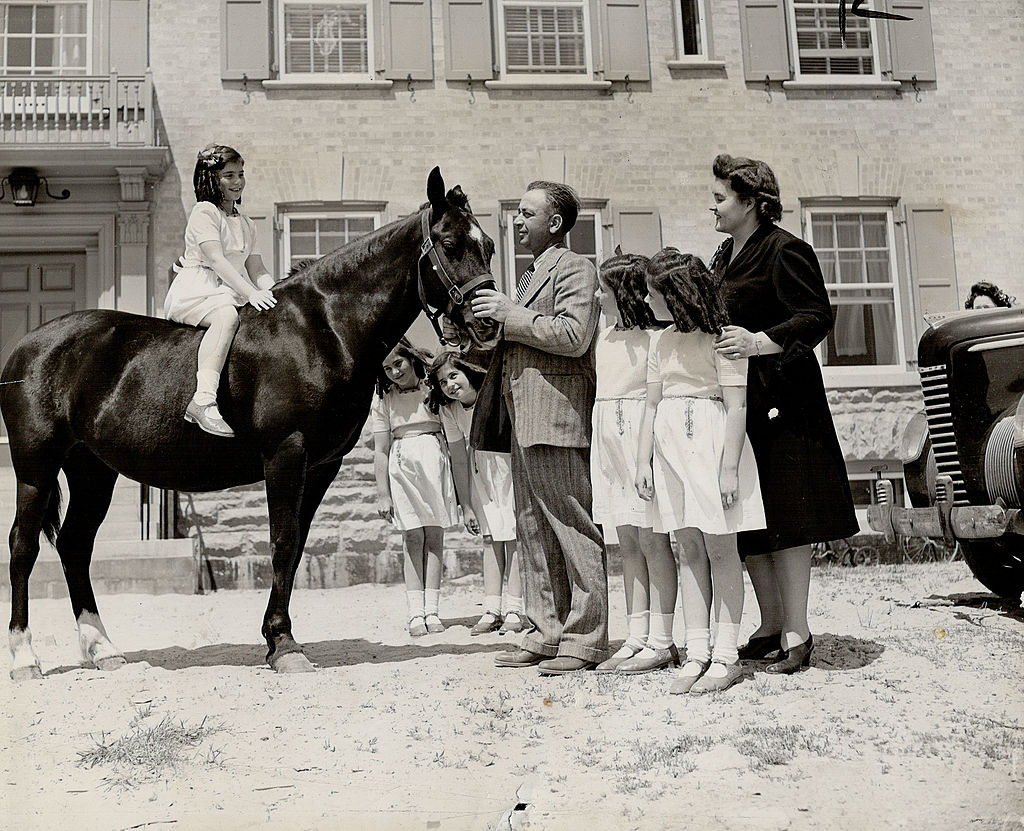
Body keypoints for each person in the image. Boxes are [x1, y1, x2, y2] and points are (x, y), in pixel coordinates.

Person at [709, 153, 859, 674]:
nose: (714, 206)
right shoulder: (724, 254)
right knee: (751, 514)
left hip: (784, 399)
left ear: (751, 202)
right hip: (736, 402)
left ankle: (798, 629)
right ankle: (770, 623)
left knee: (789, 515)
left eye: (722, 197)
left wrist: (761, 341)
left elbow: (817, 315)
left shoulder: (786, 250)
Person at [470, 180, 608, 675]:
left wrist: (511, 315)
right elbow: (519, 337)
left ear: (555, 223)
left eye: (527, 213)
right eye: (517, 213)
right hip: (522, 415)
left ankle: (586, 638)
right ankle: (545, 630)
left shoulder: (575, 268)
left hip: (555, 414)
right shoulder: (530, 275)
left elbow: (574, 335)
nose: (517, 222)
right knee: (531, 529)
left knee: (571, 526)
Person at [635, 249, 766, 693]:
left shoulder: (723, 339)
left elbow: (737, 406)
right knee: (688, 548)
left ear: (676, 295)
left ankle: (726, 655)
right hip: (670, 453)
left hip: (712, 450)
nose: (647, 301)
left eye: (653, 294)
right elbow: (651, 404)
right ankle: (696, 651)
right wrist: (642, 461)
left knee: (721, 550)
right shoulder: (661, 340)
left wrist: (728, 468)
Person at [589, 250, 680, 675]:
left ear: (623, 294)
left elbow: (653, 401)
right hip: (607, 441)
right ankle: (635, 636)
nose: (595, 296)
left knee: (651, 539)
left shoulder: (655, 339)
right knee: (626, 542)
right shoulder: (603, 337)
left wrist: (643, 458)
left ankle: (662, 640)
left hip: (639, 443)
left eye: (602, 290)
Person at [164, 144, 277, 437]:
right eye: (228, 175)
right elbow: (216, 260)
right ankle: (202, 400)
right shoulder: (204, 213)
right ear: (211, 178)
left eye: (240, 174)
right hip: (198, 291)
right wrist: (251, 294)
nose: (237, 181)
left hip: (229, 290)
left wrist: (279, 295)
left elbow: (258, 270)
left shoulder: (248, 224)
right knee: (227, 317)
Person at [425, 350, 524, 636]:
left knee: (514, 537)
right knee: (490, 537)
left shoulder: (492, 394)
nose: (450, 385)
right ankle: (492, 609)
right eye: (443, 382)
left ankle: (515, 608)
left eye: (454, 376)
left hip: (508, 465)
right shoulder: (450, 410)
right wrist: (465, 503)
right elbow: (459, 456)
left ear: (468, 372)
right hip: (480, 472)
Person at [372, 338, 460, 637]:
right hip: (402, 468)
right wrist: (383, 493)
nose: (394, 372)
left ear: (410, 359)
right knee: (412, 538)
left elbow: (453, 437)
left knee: (434, 536)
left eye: (398, 364)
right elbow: (381, 450)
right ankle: (415, 613)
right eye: (387, 369)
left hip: (434, 465)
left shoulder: (433, 392)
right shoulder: (384, 401)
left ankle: (433, 610)